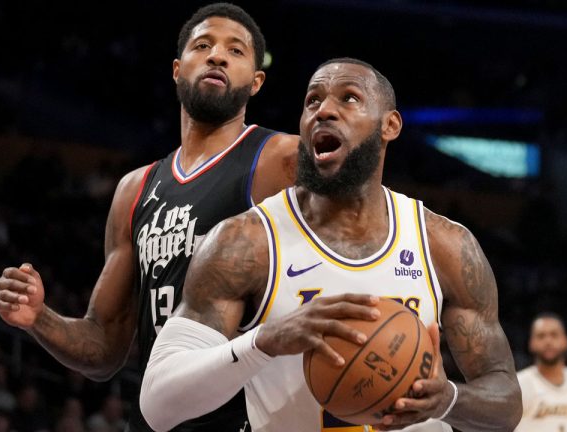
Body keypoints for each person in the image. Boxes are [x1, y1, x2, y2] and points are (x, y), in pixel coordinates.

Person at [140, 58, 522, 432]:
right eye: (312, 101)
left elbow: (506, 403)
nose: (324, 111)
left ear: (390, 125)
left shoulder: (445, 245)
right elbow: (158, 405)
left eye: (349, 98)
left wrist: (448, 400)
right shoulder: (245, 242)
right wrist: (263, 342)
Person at [0, 3, 298, 431]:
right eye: (203, 45)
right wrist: (39, 317)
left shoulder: (280, 159)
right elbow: (103, 348)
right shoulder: (134, 190)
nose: (217, 56)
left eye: (236, 51)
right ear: (177, 69)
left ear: (256, 82)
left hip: (250, 418)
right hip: (160, 418)